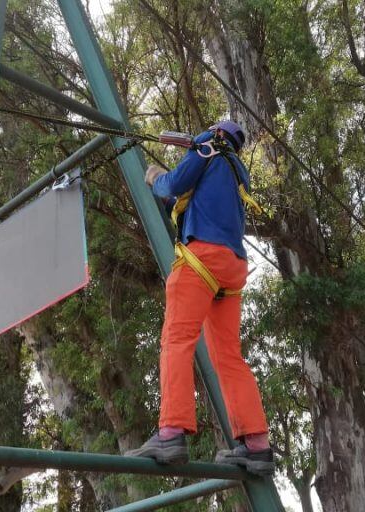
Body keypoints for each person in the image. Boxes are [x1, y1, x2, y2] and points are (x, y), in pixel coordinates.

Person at [123, 120, 274, 476]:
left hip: (201, 259)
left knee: (177, 340)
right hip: (232, 267)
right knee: (228, 357)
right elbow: (188, 201)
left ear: (218, 132)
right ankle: (256, 446)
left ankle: (171, 432)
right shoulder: (237, 173)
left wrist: (157, 177)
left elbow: (175, 183)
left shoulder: (208, 145)